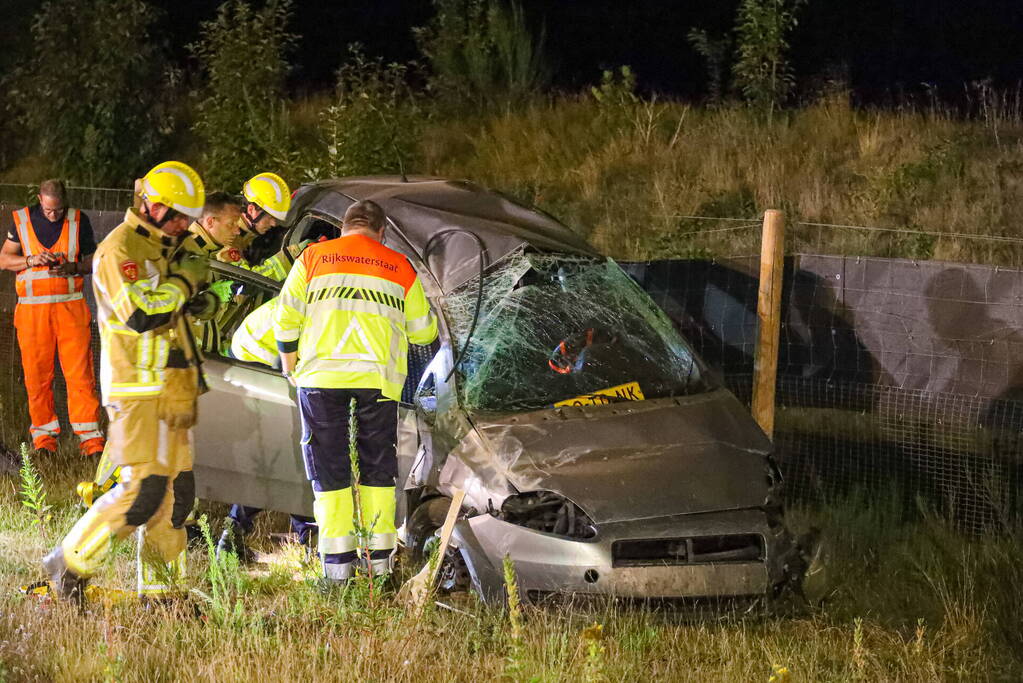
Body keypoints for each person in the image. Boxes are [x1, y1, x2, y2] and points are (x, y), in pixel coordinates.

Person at [42, 161, 211, 601]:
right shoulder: (119, 250)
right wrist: (186, 283)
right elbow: (141, 313)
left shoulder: (164, 245)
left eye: (189, 220)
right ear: (151, 205)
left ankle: (161, 597)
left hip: (172, 387)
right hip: (136, 389)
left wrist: (197, 296)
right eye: (177, 216)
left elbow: (176, 307)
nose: (183, 226)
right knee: (143, 491)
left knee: (176, 498)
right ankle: (69, 563)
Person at [273, 200, 438, 584]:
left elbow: (286, 319)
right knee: (377, 471)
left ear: (345, 227)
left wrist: (288, 362)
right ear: (381, 232)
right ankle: (379, 566)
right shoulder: (398, 266)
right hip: (378, 383)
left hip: (320, 383)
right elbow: (423, 333)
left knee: (330, 475)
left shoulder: (313, 257)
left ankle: (336, 572)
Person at [0, 180, 104, 456]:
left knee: (81, 376)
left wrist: (74, 267)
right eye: (48, 210)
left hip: (71, 310)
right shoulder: (21, 221)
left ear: (64, 202)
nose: (53, 215)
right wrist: (31, 260)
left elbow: (96, 259)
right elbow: (4, 260)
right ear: (39, 200)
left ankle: (91, 442)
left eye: (57, 211)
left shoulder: (78, 221)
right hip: (33, 314)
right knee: (37, 378)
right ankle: (44, 442)